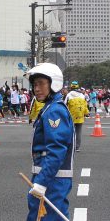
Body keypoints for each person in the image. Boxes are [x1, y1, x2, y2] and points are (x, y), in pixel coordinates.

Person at [25, 63, 75, 221]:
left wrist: (41, 182)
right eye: (34, 84)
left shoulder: (54, 110)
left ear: (54, 83)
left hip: (52, 179)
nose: (36, 89)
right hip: (51, 178)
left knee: (46, 217)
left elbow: (56, 150)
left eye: (41, 83)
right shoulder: (50, 107)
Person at [65, 81, 89, 152]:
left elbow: (65, 105)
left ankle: (70, 146)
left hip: (71, 117)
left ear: (71, 87)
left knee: (70, 132)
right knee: (78, 132)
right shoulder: (82, 95)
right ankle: (77, 147)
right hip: (80, 116)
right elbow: (85, 106)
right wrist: (86, 113)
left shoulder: (69, 95)